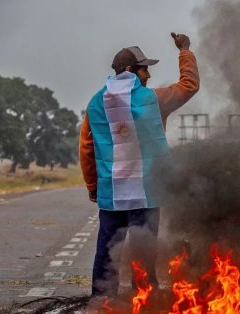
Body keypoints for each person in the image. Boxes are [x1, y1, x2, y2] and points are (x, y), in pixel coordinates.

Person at [79, 32, 199, 297]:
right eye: (145, 70)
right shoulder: (153, 99)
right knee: (145, 249)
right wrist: (185, 50)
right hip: (147, 189)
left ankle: (102, 304)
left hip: (112, 191)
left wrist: (92, 186)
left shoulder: (96, 103)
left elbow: (87, 148)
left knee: (107, 249)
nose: (149, 76)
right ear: (131, 70)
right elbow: (189, 85)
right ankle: (144, 303)